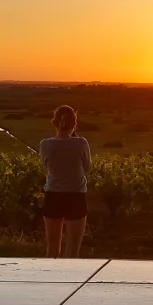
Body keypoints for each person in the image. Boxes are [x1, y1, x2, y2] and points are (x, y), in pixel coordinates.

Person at [39, 105, 92, 258]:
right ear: (74, 124)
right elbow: (88, 168)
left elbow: (46, 168)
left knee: (52, 248)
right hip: (76, 195)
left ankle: (50, 279)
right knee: (73, 250)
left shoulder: (45, 144)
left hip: (53, 195)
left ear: (54, 123)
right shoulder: (81, 143)